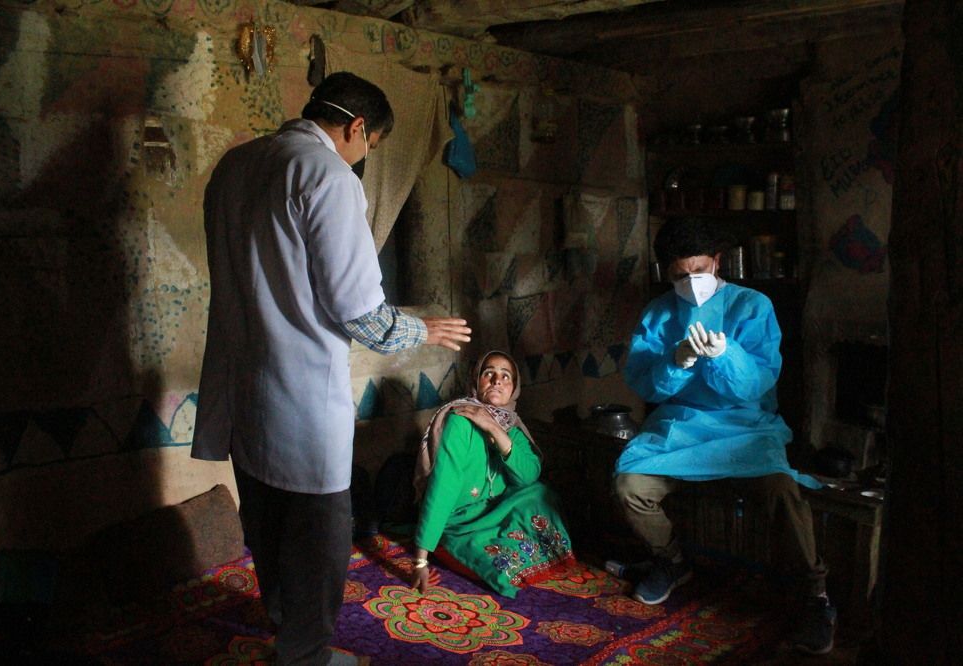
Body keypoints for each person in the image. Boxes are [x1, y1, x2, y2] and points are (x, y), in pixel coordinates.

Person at [192, 71, 471, 666]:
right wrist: (426, 329)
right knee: (318, 541)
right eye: (369, 146)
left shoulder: (235, 166)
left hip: (244, 385)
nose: (366, 156)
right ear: (357, 128)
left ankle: (283, 632)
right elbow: (360, 314)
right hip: (299, 397)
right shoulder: (327, 176)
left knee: (265, 526)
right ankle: (307, 656)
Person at [613, 217, 836, 655]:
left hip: (745, 425)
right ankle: (672, 560)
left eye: (699, 271)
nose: (691, 283)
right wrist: (676, 362)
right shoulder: (659, 314)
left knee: (782, 491)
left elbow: (753, 386)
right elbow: (644, 385)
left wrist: (725, 355)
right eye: (680, 276)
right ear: (666, 273)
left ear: (717, 262)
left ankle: (816, 595)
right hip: (680, 427)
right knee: (629, 486)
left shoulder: (752, 306)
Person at [410, 350, 574, 598]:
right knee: (498, 567)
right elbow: (443, 487)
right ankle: (461, 548)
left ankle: (509, 544)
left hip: (497, 508)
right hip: (461, 520)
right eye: (489, 374)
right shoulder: (460, 421)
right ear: (476, 381)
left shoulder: (510, 425)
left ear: (514, 389)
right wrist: (420, 559)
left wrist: (495, 430)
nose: (498, 381)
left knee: (540, 493)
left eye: (506, 376)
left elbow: (528, 475)